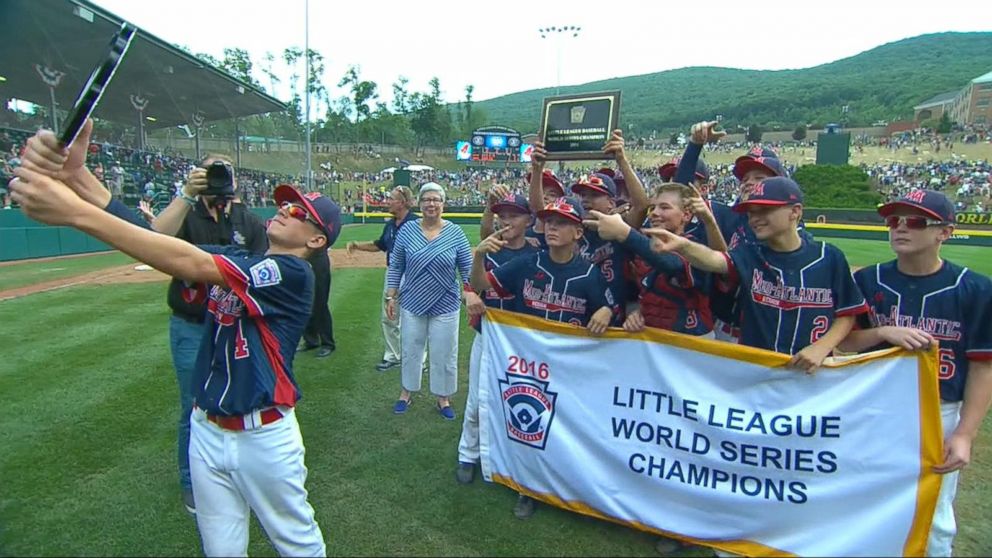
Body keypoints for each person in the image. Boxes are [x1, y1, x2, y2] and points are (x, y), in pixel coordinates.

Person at [12, 123, 337, 557]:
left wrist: (74, 212)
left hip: (264, 437)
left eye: (299, 213)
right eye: (284, 204)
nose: (284, 210)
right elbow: (161, 243)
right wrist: (78, 176)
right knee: (219, 549)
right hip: (206, 430)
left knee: (297, 545)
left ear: (317, 239)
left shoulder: (293, 274)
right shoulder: (248, 259)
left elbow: (190, 260)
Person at [837, 190, 992, 557]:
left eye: (917, 222)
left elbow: (983, 366)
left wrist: (965, 434)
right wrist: (881, 332)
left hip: (937, 412)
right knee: (862, 499)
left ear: (945, 232)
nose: (901, 228)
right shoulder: (868, 280)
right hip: (871, 409)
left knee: (933, 513)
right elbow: (844, 343)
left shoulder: (976, 289)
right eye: (894, 221)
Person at [470, 195, 613, 520]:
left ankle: (567, 487)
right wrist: (479, 255)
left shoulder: (590, 274)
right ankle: (528, 489)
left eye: (562, 222)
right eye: (549, 220)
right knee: (530, 428)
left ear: (578, 232)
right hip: (530, 364)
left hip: (570, 368)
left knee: (570, 429)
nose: (552, 227)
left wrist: (608, 308)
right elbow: (482, 285)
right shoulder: (528, 262)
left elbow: (610, 307)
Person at [643, 176, 867, 372]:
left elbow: (848, 313)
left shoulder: (828, 257)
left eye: (765, 210)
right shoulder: (750, 255)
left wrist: (822, 347)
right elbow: (715, 259)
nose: (755, 218)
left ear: (795, 211)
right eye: (751, 212)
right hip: (756, 372)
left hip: (813, 373)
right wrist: (683, 245)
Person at [149, 154, 269, 514]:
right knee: (193, 405)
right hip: (191, 324)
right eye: (211, 169)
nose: (218, 176)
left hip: (236, 328)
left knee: (243, 400)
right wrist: (187, 193)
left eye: (225, 168)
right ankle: (191, 482)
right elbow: (157, 237)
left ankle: (239, 475)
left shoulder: (245, 219)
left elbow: (262, 264)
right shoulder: (187, 213)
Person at [456, 193, 539, 485]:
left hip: (524, 342)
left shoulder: (538, 252)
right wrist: (467, 294)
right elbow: (468, 287)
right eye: (502, 214)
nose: (506, 220)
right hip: (489, 335)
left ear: (529, 220)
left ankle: (511, 461)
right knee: (478, 400)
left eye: (514, 215)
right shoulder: (489, 251)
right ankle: (467, 454)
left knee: (521, 404)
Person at [385, 182, 480, 419]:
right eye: (426, 199)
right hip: (412, 301)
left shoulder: (456, 233)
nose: (431, 204)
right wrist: (391, 295)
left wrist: (469, 292)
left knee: (444, 352)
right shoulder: (407, 231)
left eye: (436, 199)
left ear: (443, 204)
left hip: (445, 302)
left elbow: (466, 267)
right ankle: (406, 392)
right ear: (419, 203)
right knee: (410, 349)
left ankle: (443, 397)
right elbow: (396, 264)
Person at [587, 183, 719, 337]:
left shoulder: (697, 249)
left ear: (686, 215)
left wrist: (624, 232)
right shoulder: (643, 248)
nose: (654, 213)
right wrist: (639, 312)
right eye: (653, 208)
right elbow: (643, 293)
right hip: (654, 344)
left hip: (693, 346)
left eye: (664, 207)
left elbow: (672, 265)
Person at [347, 185, 418, 371]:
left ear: (402, 202)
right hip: (393, 274)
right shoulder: (390, 224)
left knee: (415, 319)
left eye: (391, 199)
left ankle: (418, 360)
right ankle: (393, 356)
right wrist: (357, 245)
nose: (387, 202)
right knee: (389, 316)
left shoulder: (417, 223)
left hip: (413, 276)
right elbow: (380, 245)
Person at [299, 244, 336, 358]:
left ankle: (327, 343)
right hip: (299, 258)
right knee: (304, 302)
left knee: (320, 303)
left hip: (317, 257)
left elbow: (332, 231)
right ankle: (311, 340)